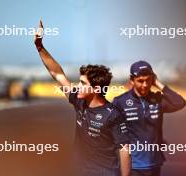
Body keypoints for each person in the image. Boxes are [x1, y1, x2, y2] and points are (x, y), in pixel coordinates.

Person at [34, 20, 131, 176]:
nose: (78, 86)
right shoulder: (79, 101)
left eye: (83, 83)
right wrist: (39, 47)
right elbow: (58, 74)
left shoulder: (113, 114)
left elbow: (124, 149)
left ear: (97, 89)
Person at [113, 60, 186, 176]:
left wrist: (158, 83)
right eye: (140, 81)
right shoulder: (120, 102)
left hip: (154, 164)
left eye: (148, 80)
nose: (145, 85)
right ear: (132, 80)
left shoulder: (158, 100)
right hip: (133, 166)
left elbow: (180, 102)